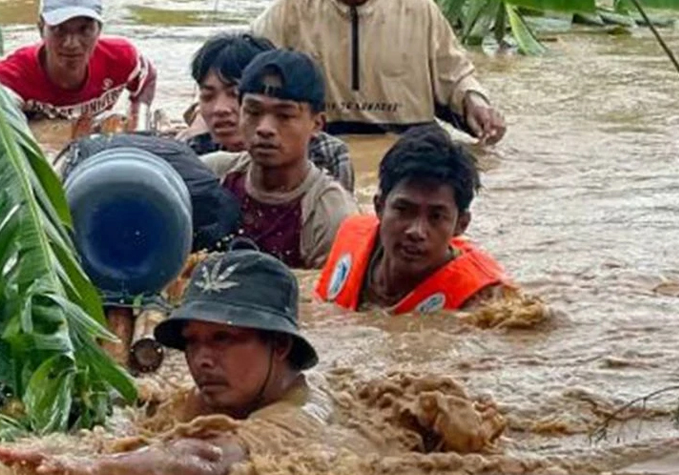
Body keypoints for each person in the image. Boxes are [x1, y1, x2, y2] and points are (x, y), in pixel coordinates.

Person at [0, 245, 326, 475]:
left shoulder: (296, 419)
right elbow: (141, 421)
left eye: (223, 338)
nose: (202, 359)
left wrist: (96, 468)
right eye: (192, 341)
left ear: (280, 345)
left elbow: (208, 460)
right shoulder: (206, 398)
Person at [250, 0, 507, 144]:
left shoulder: (420, 9)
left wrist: (475, 102)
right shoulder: (288, 12)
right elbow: (241, 73)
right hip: (322, 147)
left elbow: (455, 75)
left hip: (412, 150)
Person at [315, 124, 510, 313]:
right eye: (403, 210)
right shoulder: (350, 237)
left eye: (436, 216)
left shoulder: (481, 299)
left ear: (461, 225)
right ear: (379, 207)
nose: (416, 231)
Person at [200, 50, 358, 269]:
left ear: (317, 124)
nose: (265, 128)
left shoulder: (330, 214)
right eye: (253, 112)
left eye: (284, 115)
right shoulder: (212, 175)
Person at [181, 32, 355, 193]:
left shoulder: (327, 155)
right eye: (207, 96)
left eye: (234, 94)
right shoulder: (192, 155)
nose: (220, 109)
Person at [0, 0, 157, 125]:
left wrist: (139, 121)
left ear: (99, 30)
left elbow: (147, 76)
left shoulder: (122, 59)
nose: (72, 44)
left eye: (84, 30)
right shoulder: (11, 77)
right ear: (41, 29)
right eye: (59, 30)